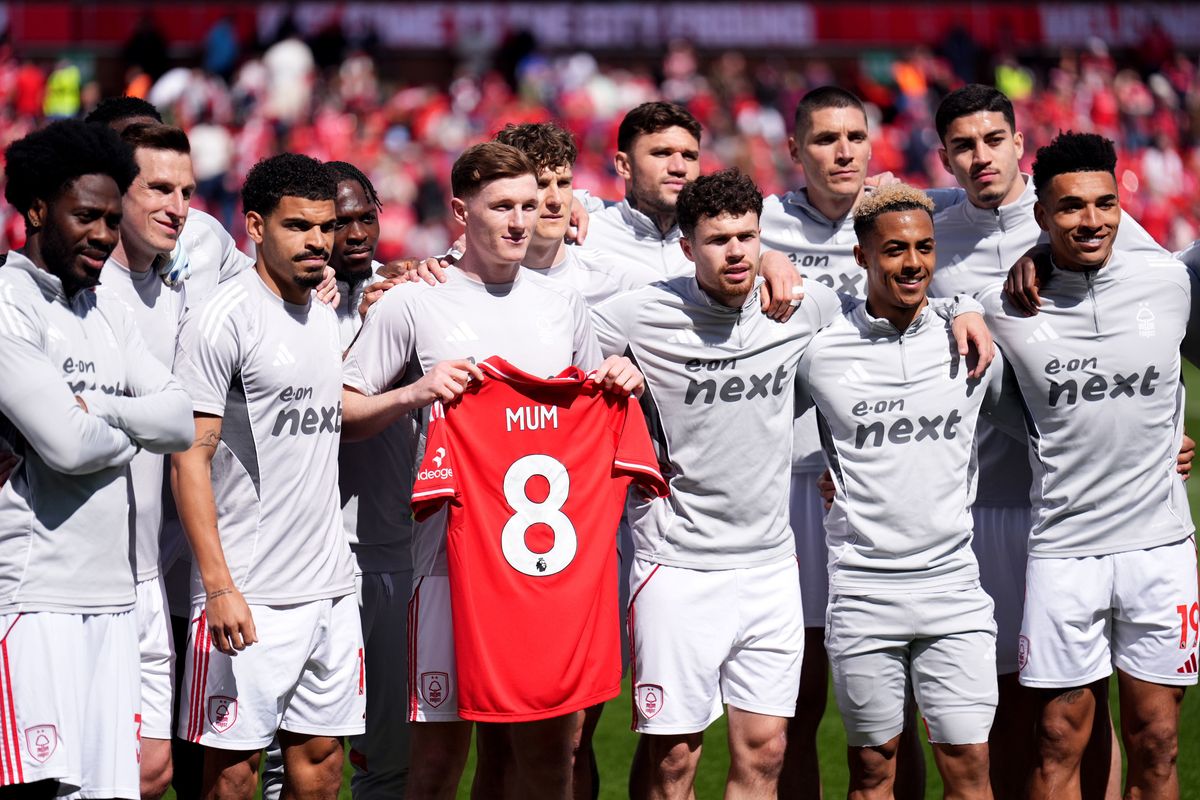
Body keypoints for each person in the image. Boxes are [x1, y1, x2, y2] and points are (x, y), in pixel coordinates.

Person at [590, 169, 993, 799]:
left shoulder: (803, 308)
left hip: (772, 568)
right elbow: (548, 343)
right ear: (687, 247)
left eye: (748, 238)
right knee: (672, 762)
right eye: (718, 239)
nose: (736, 252)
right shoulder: (635, 316)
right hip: (676, 566)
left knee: (769, 752)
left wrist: (961, 304)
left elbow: (892, 300)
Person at [341, 142, 641, 800]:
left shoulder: (561, 304)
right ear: (459, 210)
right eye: (501, 206)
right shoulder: (414, 301)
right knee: (438, 762)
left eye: (530, 207)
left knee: (547, 755)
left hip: (538, 569)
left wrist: (621, 378)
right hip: (446, 566)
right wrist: (414, 394)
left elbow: (587, 398)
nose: (519, 221)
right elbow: (342, 407)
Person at [979, 132, 1197, 800]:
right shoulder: (1002, 309)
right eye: (1071, 207)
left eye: (1105, 203)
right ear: (1040, 213)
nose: (1092, 220)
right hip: (1063, 552)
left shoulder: (1171, 280)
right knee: (1056, 740)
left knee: (1157, 741)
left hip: (1160, 550)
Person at [799, 183, 1017, 800]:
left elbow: (1046, 423)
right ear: (862, 256)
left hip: (954, 587)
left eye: (924, 248)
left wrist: (1166, 448)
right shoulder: (821, 353)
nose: (914, 263)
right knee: (873, 771)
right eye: (895, 249)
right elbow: (760, 426)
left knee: (971, 767)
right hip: (865, 590)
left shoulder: (968, 345)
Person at [0, 119, 192, 799]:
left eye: (113, 219)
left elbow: (180, 418)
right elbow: (65, 446)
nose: (105, 235)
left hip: (113, 601)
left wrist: (99, 412)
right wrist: (113, 426)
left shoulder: (104, 306)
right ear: (34, 211)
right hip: (34, 602)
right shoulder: (9, 306)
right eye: (87, 216)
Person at [171, 154, 364, 800]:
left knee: (322, 764)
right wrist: (219, 587)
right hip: (249, 590)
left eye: (326, 226)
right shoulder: (224, 319)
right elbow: (189, 457)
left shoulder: (325, 313)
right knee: (230, 774)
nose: (318, 241)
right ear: (254, 226)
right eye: (298, 226)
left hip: (329, 587)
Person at [760, 85, 925, 798]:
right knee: (799, 695)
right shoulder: (757, 224)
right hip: (791, 485)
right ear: (795, 150)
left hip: (883, 485)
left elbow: (1008, 225)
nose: (843, 151)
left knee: (900, 704)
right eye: (825, 139)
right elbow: (647, 230)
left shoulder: (909, 215)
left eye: (855, 136)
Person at [260, 161, 412, 800]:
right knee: (293, 756)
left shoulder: (410, 294)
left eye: (363, 217)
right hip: (313, 563)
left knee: (394, 754)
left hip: (401, 553)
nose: (352, 234)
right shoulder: (285, 307)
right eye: (335, 221)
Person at [99, 120, 196, 800]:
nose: (177, 206)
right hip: (78, 574)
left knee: (153, 772)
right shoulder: (80, 293)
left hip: (146, 571)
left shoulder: (181, 293)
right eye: (158, 188)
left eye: (186, 190)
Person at [578, 101, 702, 277]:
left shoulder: (723, 242)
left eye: (689, 156)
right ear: (624, 166)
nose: (679, 167)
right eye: (662, 153)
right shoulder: (583, 236)